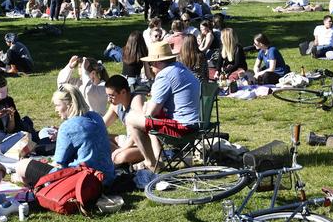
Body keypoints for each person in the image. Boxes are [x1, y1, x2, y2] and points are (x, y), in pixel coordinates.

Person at [15, 84, 115, 188]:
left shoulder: (67, 127)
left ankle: (35, 186)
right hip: (108, 176)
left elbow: (59, 163)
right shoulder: (95, 116)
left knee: (21, 165)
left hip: (84, 181)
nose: (56, 110)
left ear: (70, 104)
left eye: (58, 105)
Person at [124, 42, 202, 172]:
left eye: (150, 64)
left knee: (131, 119)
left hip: (183, 127)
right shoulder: (180, 68)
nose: (151, 67)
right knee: (152, 121)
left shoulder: (164, 75)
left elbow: (150, 112)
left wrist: (146, 106)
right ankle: (157, 160)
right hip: (196, 123)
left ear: (157, 63)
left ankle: (150, 162)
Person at [103, 75, 148, 166]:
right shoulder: (116, 106)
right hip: (127, 141)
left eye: (111, 96)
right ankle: (115, 154)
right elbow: (101, 126)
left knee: (121, 157)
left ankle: (117, 155)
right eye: (107, 96)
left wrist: (122, 148)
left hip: (142, 143)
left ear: (123, 92)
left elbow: (140, 129)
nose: (108, 100)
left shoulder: (137, 100)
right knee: (100, 139)